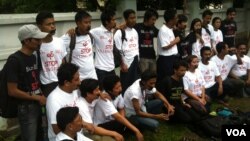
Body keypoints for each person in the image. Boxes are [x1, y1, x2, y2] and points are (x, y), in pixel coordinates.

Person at [6, 24, 48, 141]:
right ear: (26, 40)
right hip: (26, 107)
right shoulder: (14, 60)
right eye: (37, 39)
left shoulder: (33, 57)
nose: (40, 42)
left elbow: (33, 80)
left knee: (41, 135)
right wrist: (37, 98)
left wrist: (40, 95)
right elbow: (12, 91)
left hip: (38, 103)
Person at [94, 75, 143, 141]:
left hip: (114, 121)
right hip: (101, 125)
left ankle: (123, 130)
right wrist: (136, 131)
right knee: (128, 125)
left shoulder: (117, 94)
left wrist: (122, 121)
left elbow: (121, 108)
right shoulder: (104, 100)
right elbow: (118, 117)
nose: (120, 89)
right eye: (117, 88)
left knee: (136, 123)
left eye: (120, 86)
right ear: (110, 90)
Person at [46, 63, 81, 141]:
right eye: (76, 79)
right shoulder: (54, 99)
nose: (79, 82)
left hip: (77, 135)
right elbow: (56, 129)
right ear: (67, 83)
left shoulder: (73, 90)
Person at [36, 11, 67, 97]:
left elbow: (63, 61)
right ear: (39, 26)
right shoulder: (36, 45)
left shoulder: (60, 41)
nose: (52, 26)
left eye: (53, 23)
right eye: (48, 24)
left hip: (62, 81)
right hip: (47, 84)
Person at [61, 10, 97, 81]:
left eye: (90, 22)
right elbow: (55, 48)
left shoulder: (90, 36)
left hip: (92, 76)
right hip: (77, 79)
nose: (89, 25)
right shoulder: (69, 37)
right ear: (78, 23)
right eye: (86, 22)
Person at [114, 9, 139, 94]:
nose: (134, 20)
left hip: (135, 61)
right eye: (131, 18)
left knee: (135, 85)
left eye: (134, 17)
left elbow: (136, 47)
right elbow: (117, 50)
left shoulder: (135, 31)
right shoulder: (119, 32)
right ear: (126, 19)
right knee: (126, 86)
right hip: (126, 64)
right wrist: (122, 64)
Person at [90, 9, 117, 84]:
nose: (115, 21)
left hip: (111, 68)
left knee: (113, 91)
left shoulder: (112, 31)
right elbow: (83, 33)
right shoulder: (96, 31)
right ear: (106, 22)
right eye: (113, 20)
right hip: (101, 69)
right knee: (103, 92)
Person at [157, 8, 179, 82]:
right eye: (176, 18)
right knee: (167, 80)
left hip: (173, 57)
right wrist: (175, 41)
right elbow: (165, 46)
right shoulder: (163, 30)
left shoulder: (170, 28)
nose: (177, 19)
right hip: (166, 59)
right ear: (171, 19)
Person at [134, 8, 159, 73]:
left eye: (155, 20)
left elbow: (161, 35)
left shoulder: (153, 28)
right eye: (152, 19)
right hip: (142, 57)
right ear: (146, 18)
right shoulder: (137, 27)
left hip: (152, 57)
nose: (154, 22)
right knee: (145, 78)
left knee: (153, 77)